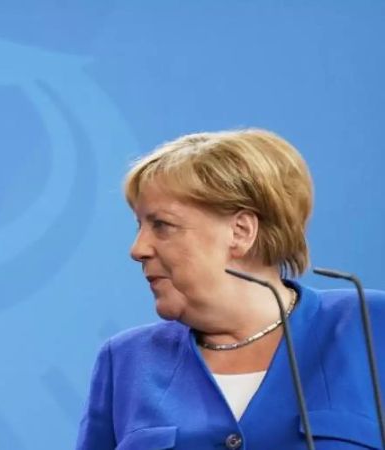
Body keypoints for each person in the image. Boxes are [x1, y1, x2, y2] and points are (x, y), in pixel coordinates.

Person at [76, 129, 385, 449]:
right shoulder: (124, 361)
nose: (138, 248)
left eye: (162, 225)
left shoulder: (370, 326)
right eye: (139, 226)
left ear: (240, 231)